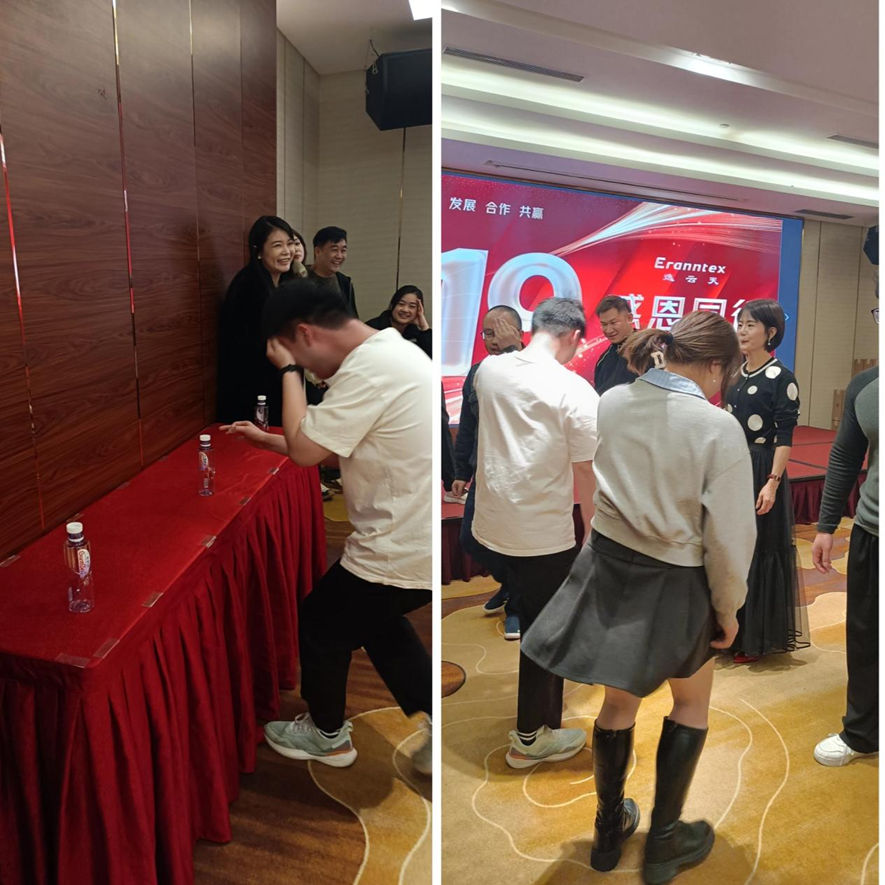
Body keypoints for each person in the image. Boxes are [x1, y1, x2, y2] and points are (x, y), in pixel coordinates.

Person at [522, 311, 757, 882]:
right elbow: (729, 536)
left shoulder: (614, 401)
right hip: (678, 581)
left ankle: (607, 833)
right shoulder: (717, 426)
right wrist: (728, 608)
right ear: (716, 365)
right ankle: (664, 843)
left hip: (610, 568)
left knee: (617, 705)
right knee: (691, 704)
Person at [221, 278, 432, 774]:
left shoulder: (370, 369)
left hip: (397, 544)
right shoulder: (391, 354)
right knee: (376, 623)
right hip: (412, 538)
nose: (311, 372)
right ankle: (429, 718)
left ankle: (328, 735)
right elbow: (335, 449)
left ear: (305, 333)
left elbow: (306, 452)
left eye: (299, 355)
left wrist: (289, 372)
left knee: (320, 622)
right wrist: (266, 439)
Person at [470, 298, 599, 761]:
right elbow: (586, 473)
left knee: (530, 619)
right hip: (542, 534)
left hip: (491, 526)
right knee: (546, 632)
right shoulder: (576, 390)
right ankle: (529, 738)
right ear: (574, 337)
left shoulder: (489, 371)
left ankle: (542, 722)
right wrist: (592, 534)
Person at [724, 299, 809, 662]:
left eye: (750, 325)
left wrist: (772, 482)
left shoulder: (781, 377)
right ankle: (729, 630)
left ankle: (756, 637)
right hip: (732, 466)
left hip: (761, 469)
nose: (742, 331)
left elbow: (785, 436)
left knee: (760, 551)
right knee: (732, 550)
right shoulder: (734, 372)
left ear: (770, 332)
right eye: (740, 324)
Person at [812, 359, 878, 766]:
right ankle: (862, 732)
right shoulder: (866, 386)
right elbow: (844, 457)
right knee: (866, 636)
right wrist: (825, 526)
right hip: (874, 528)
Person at [451, 305, 525, 638]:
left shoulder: (535, 371)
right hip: (484, 472)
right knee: (470, 539)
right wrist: (460, 472)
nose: (492, 340)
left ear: (519, 333)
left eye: (500, 332)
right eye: (487, 333)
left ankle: (517, 610)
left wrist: (513, 353)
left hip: (520, 476)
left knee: (514, 544)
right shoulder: (478, 372)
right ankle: (509, 585)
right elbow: (468, 426)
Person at [216, 216, 307, 426]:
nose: (287, 251)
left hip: (279, 380)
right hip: (254, 389)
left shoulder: (285, 282)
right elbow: (257, 348)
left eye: (290, 243)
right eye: (277, 245)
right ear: (258, 251)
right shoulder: (248, 287)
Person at [367, 285, 432, 357]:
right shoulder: (371, 328)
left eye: (412, 306)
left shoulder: (415, 333)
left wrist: (424, 327)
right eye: (401, 304)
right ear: (393, 305)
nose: (405, 310)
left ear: (418, 310)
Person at [593, 295, 639, 395]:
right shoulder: (604, 359)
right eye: (604, 324)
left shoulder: (646, 349)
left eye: (613, 322)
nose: (608, 330)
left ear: (629, 318)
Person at [309, 226, 358, 317]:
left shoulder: (345, 283)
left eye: (343, 250)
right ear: (318, 251)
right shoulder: (301, 278)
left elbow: (352, 319)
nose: (339, 256)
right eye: (334, 250)